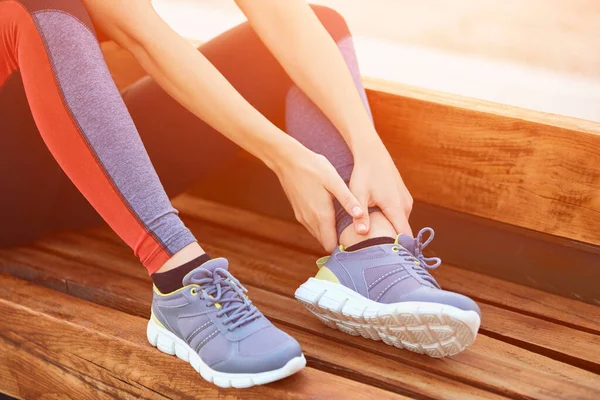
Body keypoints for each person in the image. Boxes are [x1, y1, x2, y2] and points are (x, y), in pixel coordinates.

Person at [0, 0, 481, 389]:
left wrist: (367, 143)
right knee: (41, 4)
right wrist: (283, 155)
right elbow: (142, 35)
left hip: (88, 166)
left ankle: (364, 243)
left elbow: (282, 16)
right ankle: (179, 281)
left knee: (318, 24)